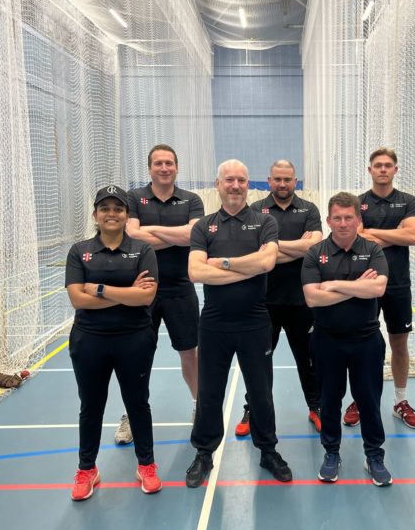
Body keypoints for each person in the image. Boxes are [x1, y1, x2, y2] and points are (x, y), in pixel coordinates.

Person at [185, 159, 292, 487]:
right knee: (210, 393)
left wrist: (224, 263)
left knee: (261, 392)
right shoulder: (203, 226)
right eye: (228, 180)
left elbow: (268, 262)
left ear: (250, 185)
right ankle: (204, 453)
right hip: (214, 324)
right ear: (217, 184)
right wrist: (248, 266)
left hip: (255, 322)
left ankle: (268, 449)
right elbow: (195, 272)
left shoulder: (265, 222)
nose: (235, 185)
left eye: (241, 180)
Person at [64, 185, 162, 501]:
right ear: (95, 214)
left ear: (126, 215)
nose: (111, 213)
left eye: (117, 208)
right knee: (91, 406)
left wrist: (101, 290)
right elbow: (77, 299)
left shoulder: (142, 250)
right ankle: (86, 469)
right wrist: (125, 295)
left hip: (134, 339)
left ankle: (146, 465)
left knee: (137, 403)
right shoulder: (79, 251)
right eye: (105, 208)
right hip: (89, 340)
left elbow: (146, 295)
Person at [113, 144, 204, 444]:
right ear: (149, 167)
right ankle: (131, 414)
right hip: (142, 289)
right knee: (136, 356)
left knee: (190, 352)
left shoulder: (192, 200)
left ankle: (199, 408)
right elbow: (131, 235)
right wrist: (175, 234)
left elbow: (193, 235)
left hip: (181, 287)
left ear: (177, 167)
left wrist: (149, 233)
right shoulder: (133, 198)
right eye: (158, 163)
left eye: (169, 163)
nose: (164, 168)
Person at [302, 192, 392, 486]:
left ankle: (374, 455)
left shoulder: (373, 250)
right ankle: (331, 453)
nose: (343, 224)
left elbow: (377, 289)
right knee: (330, 401)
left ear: (358, 220)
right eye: (337, 218)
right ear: (328, 220)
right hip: (327, 341)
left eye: (348, 218)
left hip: (367, 341)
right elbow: (313, 298)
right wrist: (357, 287)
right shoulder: (315, 253)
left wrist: (336, 285)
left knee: (369, 400)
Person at [233, 159, 323, 437]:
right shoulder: (255, 209)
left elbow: (315, 247)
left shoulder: (309, 209)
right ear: (269, 181)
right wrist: (297, 247)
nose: (283, 184)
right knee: (258, 362)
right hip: (263, 302)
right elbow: (249, 250)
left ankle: (316, 406)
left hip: (302, 300)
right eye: (277, 179)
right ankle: (253, 408)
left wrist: (270, 248)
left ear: (296, 181)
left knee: (309, 360)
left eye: (288, 179)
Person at [343, 148, 415, 430]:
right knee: (361, 344)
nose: (383, 169)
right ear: (370, 170)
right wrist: (394, 234)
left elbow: (413, 235)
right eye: (378, 165)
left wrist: (373, 235)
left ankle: (400, 401)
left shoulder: (409, 201)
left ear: (395, 169)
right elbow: (354, 237)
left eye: (388, 165)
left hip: (398, 284)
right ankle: (360, 399)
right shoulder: (358, 203)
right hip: (364, 282)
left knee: (398, 343)